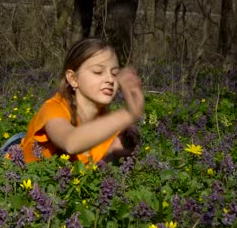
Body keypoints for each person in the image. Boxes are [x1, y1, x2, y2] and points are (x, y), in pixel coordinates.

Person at [15, 38, 144, 164]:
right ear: (73, 78)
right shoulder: (53, 109)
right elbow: (71, 142)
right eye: (98, 72)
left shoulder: (109, 127)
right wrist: (127, 115)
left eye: (115, 73)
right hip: (14, 178)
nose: (110, 79)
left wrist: (116, 151)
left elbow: (96, 172)